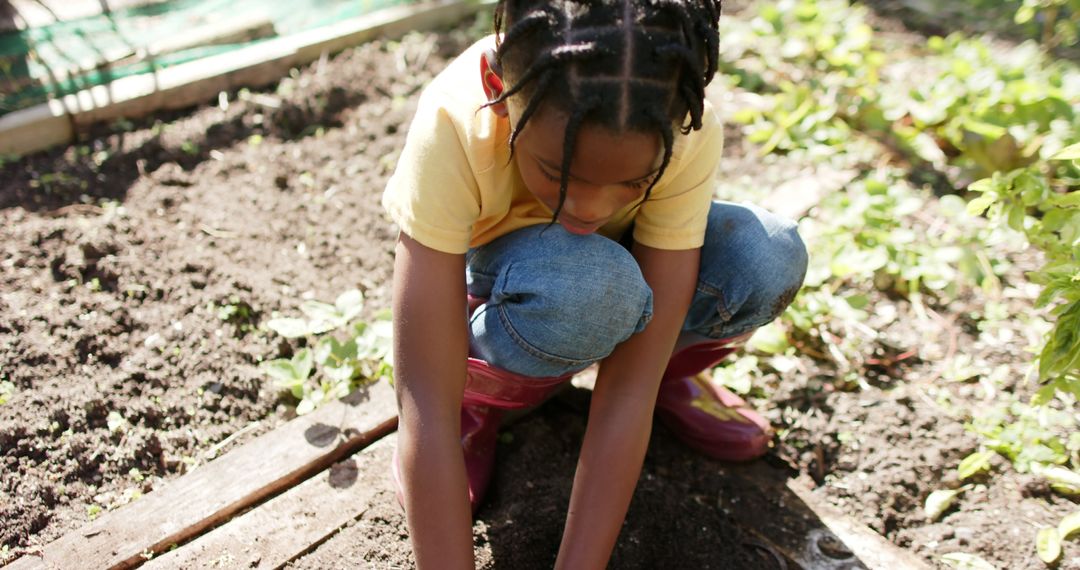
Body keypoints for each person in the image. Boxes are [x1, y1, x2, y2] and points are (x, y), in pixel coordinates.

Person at [381, 0, 808, 567]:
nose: (589, 208)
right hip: (510, 289)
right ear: (497, 87)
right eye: (557, 173)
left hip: (618, 280)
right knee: (587, 287)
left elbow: (625, 393)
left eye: (632, 182)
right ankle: (480, 403)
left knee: (764, 257)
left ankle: (669, 375)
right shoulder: (458, 120)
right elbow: (422, 404)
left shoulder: (675, 117)